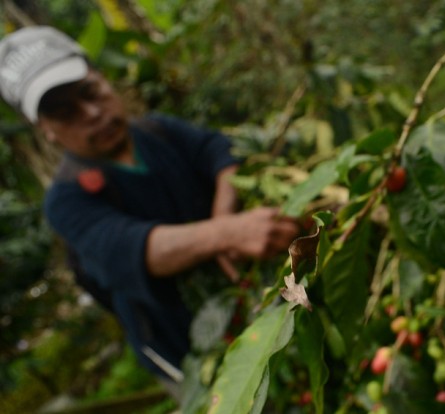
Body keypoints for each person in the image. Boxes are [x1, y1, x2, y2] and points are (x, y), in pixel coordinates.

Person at [0, 26, 299, 398]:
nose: (92, 113)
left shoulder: (158, 131)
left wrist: (225, 213)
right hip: (185, 349)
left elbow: (220, 150)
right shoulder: (64, 201)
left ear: (104, 80)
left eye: (90, 92)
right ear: (47, 131)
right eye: (66, 114)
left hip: (248, 308)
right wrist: (227, 233)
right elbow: (133, 249)